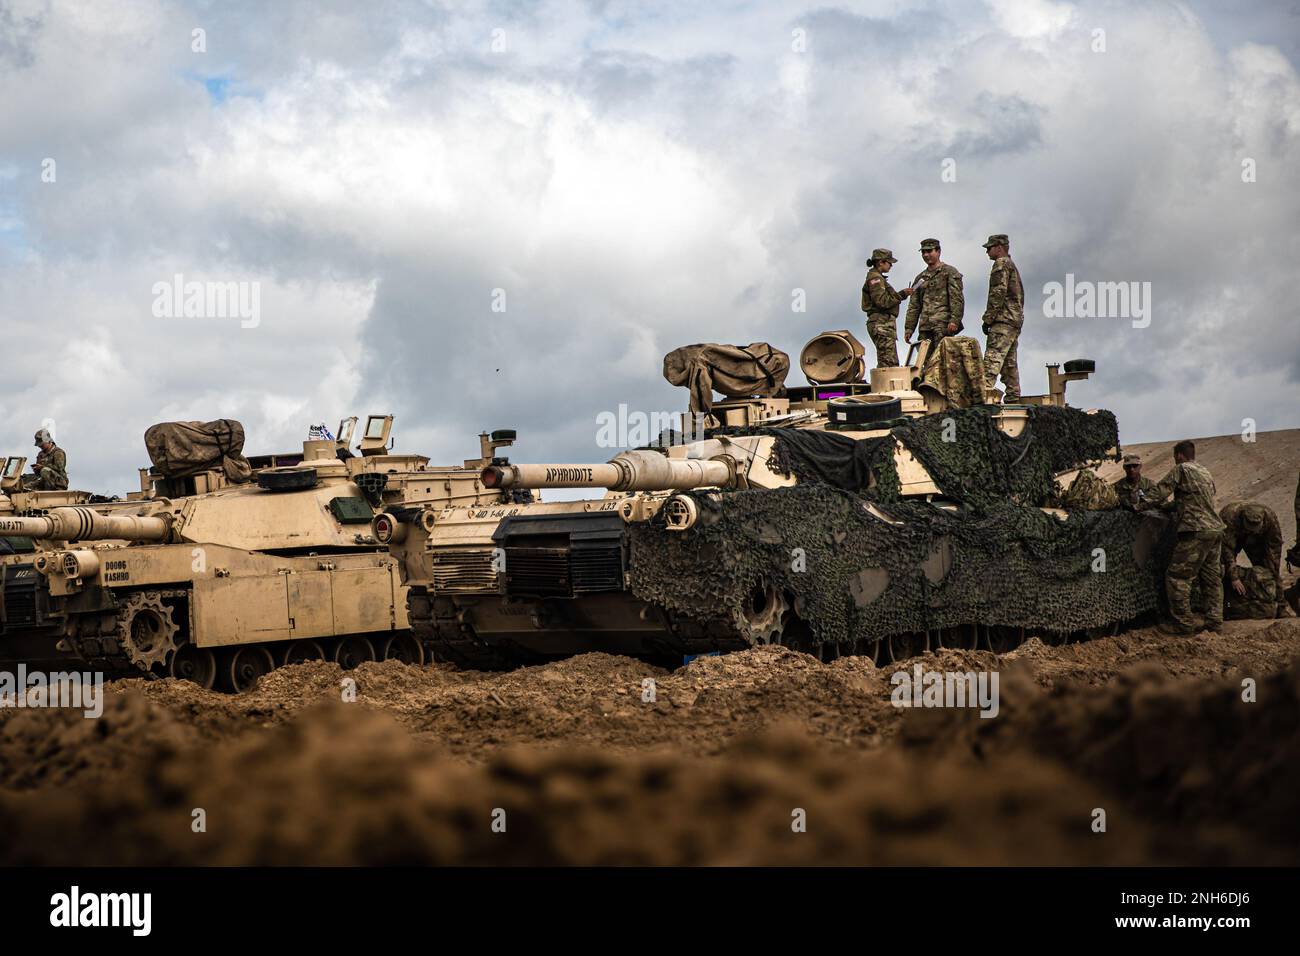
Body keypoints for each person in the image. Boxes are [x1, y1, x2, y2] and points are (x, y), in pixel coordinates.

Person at [1146, 440, 1225, 634]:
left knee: (1177, 577)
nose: (1175, 460)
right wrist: (1168, 506)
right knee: (1211, 579)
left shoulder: (1181, 469)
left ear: (1180, 455)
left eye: (1175, 457)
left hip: (1195, 531)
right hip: (1215, 531)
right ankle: (1214, 622)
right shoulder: (1205, 472)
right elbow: (1191, 500)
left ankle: (1183, 624)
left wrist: (1141, 503)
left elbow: (1160, 491)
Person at [1220, 501, 1287, 619]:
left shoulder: (1270, 518)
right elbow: (1227, 550)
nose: (1252, 530)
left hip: (1257, 539)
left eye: (1255, 527)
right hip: (1234, 535)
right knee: (1223, 568)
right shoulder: (1229, 516)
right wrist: (1234, 577)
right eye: (1250, 527)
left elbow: (1274, 545)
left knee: (1270, 571)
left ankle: (1281, 607)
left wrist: (1273, 568)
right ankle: (1225, 607)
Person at [979, 233, 1024, 402]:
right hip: (1014, 320)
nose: (987, 252)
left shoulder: (1001, 264)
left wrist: (988, 318)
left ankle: (983, 395)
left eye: (989, 248)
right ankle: (1013, 396)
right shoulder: (1011, 265)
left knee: (993, 358)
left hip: (1003, 320)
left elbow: (998, 293)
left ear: (999, 247)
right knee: (1009, 363)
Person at [903, 238, 963, 361]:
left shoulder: (949, 272)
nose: (926, 255)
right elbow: (914, 306)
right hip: (925, 327)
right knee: (925, 363)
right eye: (923, 252)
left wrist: (954, 320)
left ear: (938, 251)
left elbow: (956, 298)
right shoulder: (920, 278)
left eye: (929, 251)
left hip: (943, 325)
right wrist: (909, 328)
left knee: (943, 361)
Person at [861, 248, 909, 368]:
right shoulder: (875, 279)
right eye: (889, 262)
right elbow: (882, 302)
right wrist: (901, 295)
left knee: (888, 360)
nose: (891, 265)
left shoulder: (877, 278)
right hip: (881, 323)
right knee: (888, 363)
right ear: (880, 262)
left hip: (883, 323)